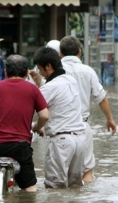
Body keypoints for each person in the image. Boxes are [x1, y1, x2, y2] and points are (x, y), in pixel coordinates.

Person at [0, 55, 49, 192]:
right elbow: (45, 116)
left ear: (5, 72)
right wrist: (37, 127)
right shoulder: (33, 89)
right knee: (30, 187)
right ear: (26, 74)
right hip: (21, 147)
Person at [59, 35, 117, 182]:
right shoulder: (88, 71)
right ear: (80, 51)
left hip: (59, 129)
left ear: (60, 53)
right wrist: (110, 119)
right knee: (87, 174)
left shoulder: (55, 70)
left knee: (59, 177)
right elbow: (101, 98)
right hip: (82, 127)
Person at [32, 46, 86, 188]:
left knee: (55, 188)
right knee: (76, 187)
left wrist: (37, 127)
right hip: (80, 140)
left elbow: (34, 109)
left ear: (48, 66)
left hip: (61, 141)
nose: (40, 73)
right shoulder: (71, 80)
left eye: (40, 69)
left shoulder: (49, 88)